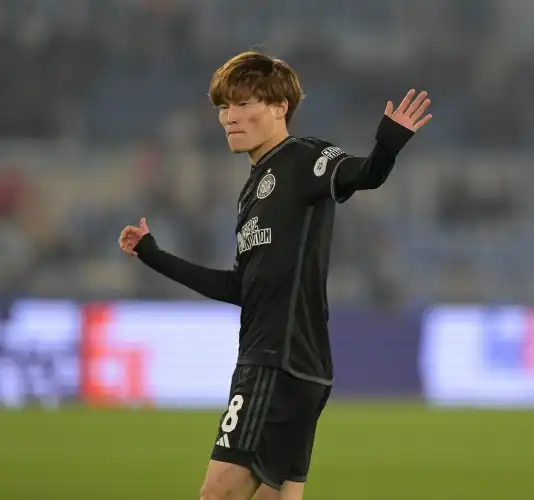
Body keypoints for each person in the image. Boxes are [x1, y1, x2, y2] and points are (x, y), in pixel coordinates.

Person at [118, 51, 431, 500]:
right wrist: (154, 255)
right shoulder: (251, 191)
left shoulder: (303, 157)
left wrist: (388, 146)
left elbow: (364, 174)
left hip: (275, 363)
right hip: (296, 364)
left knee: (217, 494)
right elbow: (238, 286)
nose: (229, 117)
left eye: (243, 103)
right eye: (224, 106)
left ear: (280, 107)